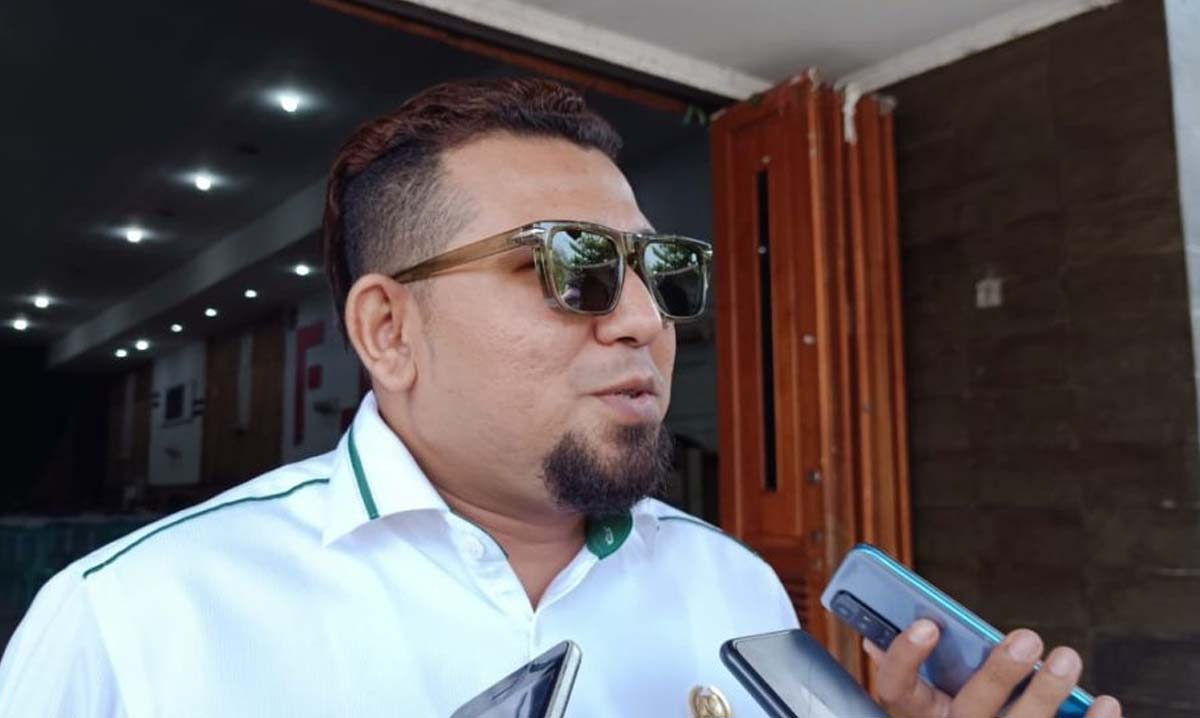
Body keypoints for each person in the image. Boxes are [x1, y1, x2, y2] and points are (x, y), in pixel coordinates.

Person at [0, 77, 1121, 718]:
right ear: (388, 330)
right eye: (570, 265)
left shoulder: (734, 586)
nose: (643, 319)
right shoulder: (131, 621)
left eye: (660, 270)